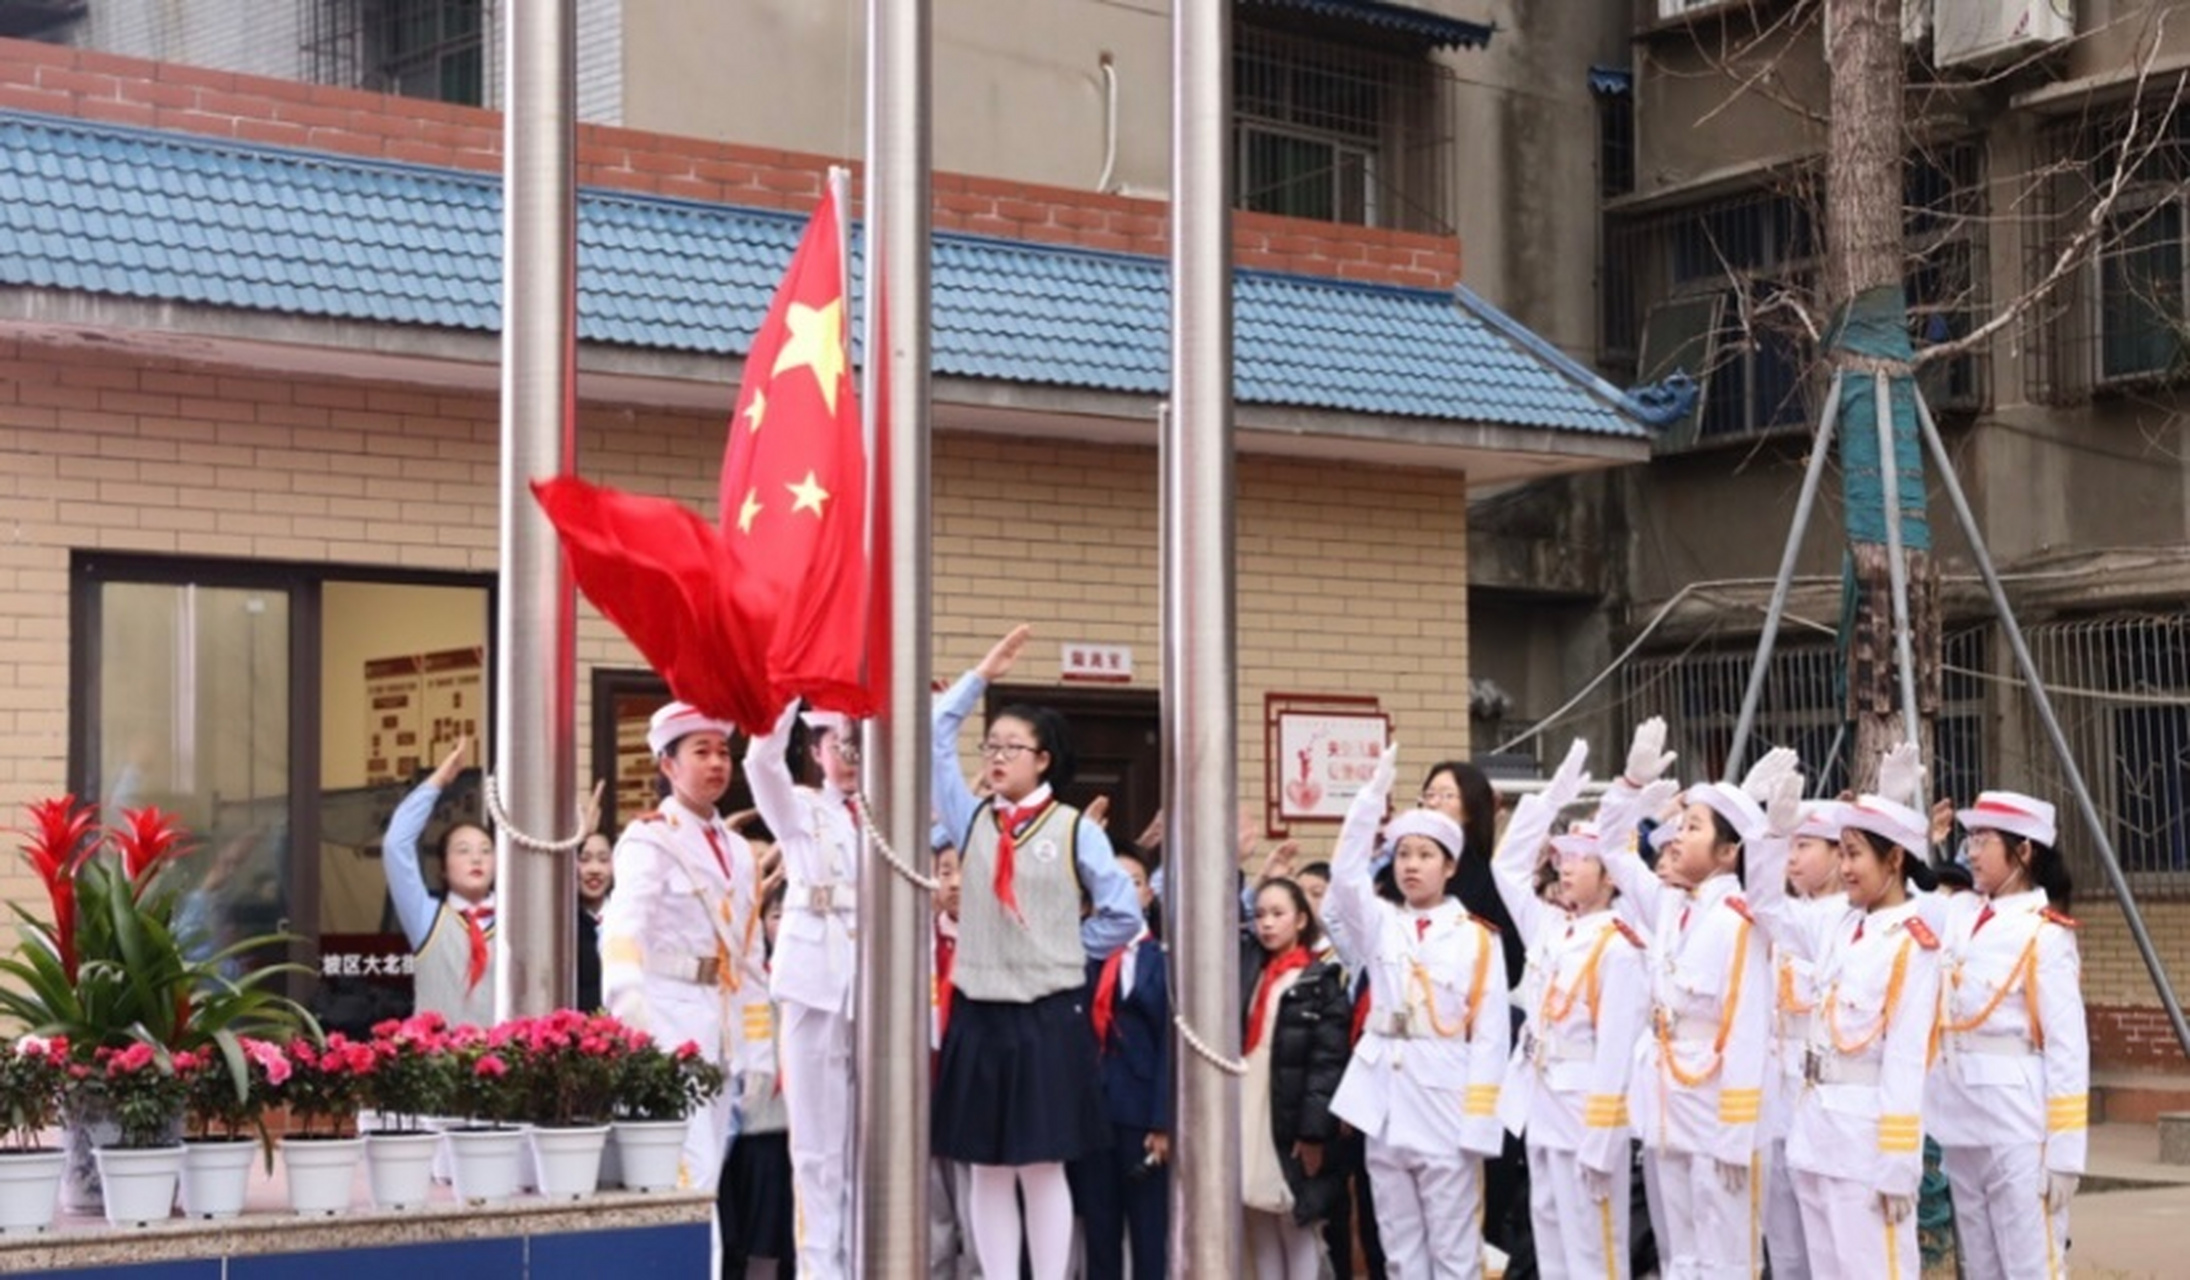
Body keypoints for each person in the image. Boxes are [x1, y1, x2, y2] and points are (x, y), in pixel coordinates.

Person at [930, 625, 1142, 1280]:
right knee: (986, 1163)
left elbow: (1124, 913)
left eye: (1010, 748)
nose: (995, 758)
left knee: (1043, 1161)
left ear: (1043, 759)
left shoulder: (1075, 829)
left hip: (1049, 1012)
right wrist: (982, 676)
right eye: (991, 747)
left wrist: (1065, 948)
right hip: (979, 1009)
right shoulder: (971, 820)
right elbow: (936, 735)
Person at [1744, 743, 1942, 1280]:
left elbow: (1905, 1062)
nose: (1847, 868)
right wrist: (1771, 839)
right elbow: (1764, 909)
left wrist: (1900, 1167)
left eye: (1856, 855)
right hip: (1815, 1135)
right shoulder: (1836, 923)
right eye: (1844, 852)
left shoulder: (1913, 943)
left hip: (1867, 1150)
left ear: (1894, 860)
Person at [1601, 738, 1790, 1280]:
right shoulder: (1669, 904)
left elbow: (1750, 1027)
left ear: (1729, 852)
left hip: (1717, 1111)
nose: (1676, 837)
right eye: (1679, 825)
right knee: (1679, 1256)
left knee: (1727, 1258)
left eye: (1693, 827)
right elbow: (1613, 847)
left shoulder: (1742, 918)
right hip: (1667, 1104)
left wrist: (1736, 1134)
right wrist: (1629, 790)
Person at [1326, 741, 1509, 1280]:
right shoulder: (1382, 921)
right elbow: (1344, 877)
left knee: (1454, 1250)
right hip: (1384, 1101)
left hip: (1446, 1105)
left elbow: (1492, 1035)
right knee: (1400, 1249)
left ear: (1450, 867)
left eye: (1426, 855)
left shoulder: (1476, 938)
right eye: (1404, 854)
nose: (1411, 866)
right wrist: (1369, 801)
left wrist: (1480, 1121)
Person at [1490, 732, 1659, 1280]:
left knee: (1595, 1253)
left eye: (1581, 861)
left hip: (1586, 1113)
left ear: (1609, 876)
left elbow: (1615, 1052)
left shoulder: (1619, 946)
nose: (1565, 869)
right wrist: (1548, 802)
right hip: (1541, 1105)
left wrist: (1601, 1140)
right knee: (1551, 1239)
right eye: (1562, 859)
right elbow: (1507, 869)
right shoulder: (1552, 926)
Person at [599, 702, 763, 1197]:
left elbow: (749, 958)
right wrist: (632, 1014)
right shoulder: (649, 839)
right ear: (668, 765)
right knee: (685, 1175)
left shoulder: (737, 849)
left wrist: (760, 1048)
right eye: (701, 752)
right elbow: (622, 932)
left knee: (708, 1174)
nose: (717, 763)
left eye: (723, 752)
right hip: (667, 1015)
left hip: (721, 1022)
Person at [1929, 788, 2087, 1280]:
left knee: (2030, 1263)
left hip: (2017, 1122)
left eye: (1983, 839)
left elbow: (2066, 1049)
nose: (1970, 851)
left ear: (2023, 851)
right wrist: (1915, 835)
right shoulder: (1957, 911)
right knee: (1980, 1264)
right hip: (1958, 1116)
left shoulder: (2045, 934)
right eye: (1969, 837)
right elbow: (1899, 906)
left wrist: (2064, 1154)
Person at [747, 699, 865, 1280]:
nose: (847, 758)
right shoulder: (801, 809)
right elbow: (759, 766)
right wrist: (784, 701)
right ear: (815, 752)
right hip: (816, 983)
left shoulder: (891, 814)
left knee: (870, 1149)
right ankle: (822, 1271)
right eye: (835, 745)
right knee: (816, 1150)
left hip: (874, 992)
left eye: (857, 746)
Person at [1241, 877, 1353, 1280]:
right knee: (1259, 1220)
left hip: (1286, 1113)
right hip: (1250, 1099)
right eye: (1260, 915)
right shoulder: (1250, 972)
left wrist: (1313, 1132)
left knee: (1296, 1218)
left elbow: (1327, 1063)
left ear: (1302, 920)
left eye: (1278, 914)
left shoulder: (1319, 981)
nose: (1267, 924)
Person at [1069, 851, 1172, 1280]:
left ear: (1148, 894)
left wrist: (1163, 1121)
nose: (1125, 890)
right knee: (1099, 1230)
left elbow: (1171, 1045)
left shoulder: (1164, 959)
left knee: (1149, 1233)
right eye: (1114, 881)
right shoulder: (1082, 952)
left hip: (1142, 1116)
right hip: (1091, 1114)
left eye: (1134, 881)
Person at [1758, 799, 1847, 1280]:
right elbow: (1760, 898)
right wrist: (1769, 838)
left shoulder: (1850, 917)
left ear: (1840, 853)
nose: (1792, 859)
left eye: (1804, 846)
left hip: (1825, 1085)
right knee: (1786, 1243)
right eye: (1787, 847)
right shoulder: (1788, 914)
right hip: (1777, 1084)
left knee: (1831, 1241)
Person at [382, 736, 496, 1026]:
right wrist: (439, 781)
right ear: (442, 868)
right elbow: (396, 845)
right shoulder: (426, 917)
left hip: (504, 1065)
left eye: (486, 850)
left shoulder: (515, 924)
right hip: (438, 1067)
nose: (476, 859)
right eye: (463, 851)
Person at [722, 878, 795, 1278]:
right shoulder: (747, 979)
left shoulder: (815, 980)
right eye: (775, 915)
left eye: (790, 915)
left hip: (797, 1127)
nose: (782, 925)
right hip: (754, 1128)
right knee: (756, 1240)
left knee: (791, 1241)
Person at [577, 826, 614, 1012]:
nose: (594, 869)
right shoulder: (565, 924)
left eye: (603, 860)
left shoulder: (625, 917)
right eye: (584, 859)